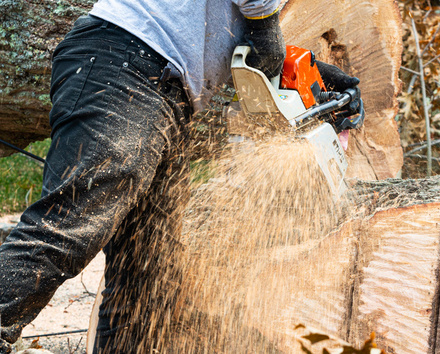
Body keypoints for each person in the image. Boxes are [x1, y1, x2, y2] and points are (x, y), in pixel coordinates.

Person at [0, 0, 360, 352]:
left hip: (163, 87)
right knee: (67, 229)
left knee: (147, 273)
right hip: (128, 64)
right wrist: (266, 27)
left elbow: (230, 35)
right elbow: (257, 22)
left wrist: (310, 76)